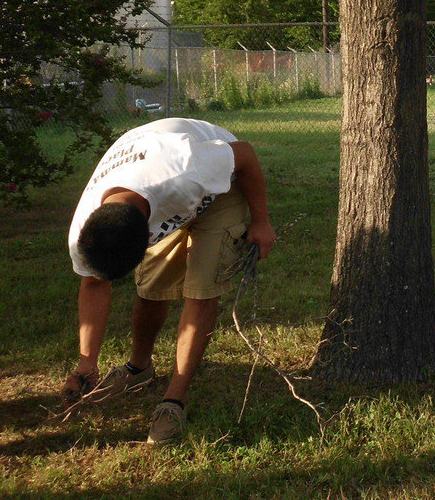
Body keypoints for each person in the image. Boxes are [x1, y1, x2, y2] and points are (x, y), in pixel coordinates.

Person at [62, 117, 276, 443]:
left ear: (149, 234)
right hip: (160, 183)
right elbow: (93, 284)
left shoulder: (189, 168)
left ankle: (173, 399)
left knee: (201, 291)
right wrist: (86, 363)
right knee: (151, 288)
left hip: (220, 187)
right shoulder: (85, 232)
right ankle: (138, 369)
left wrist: (260, 220)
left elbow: (245, 154)